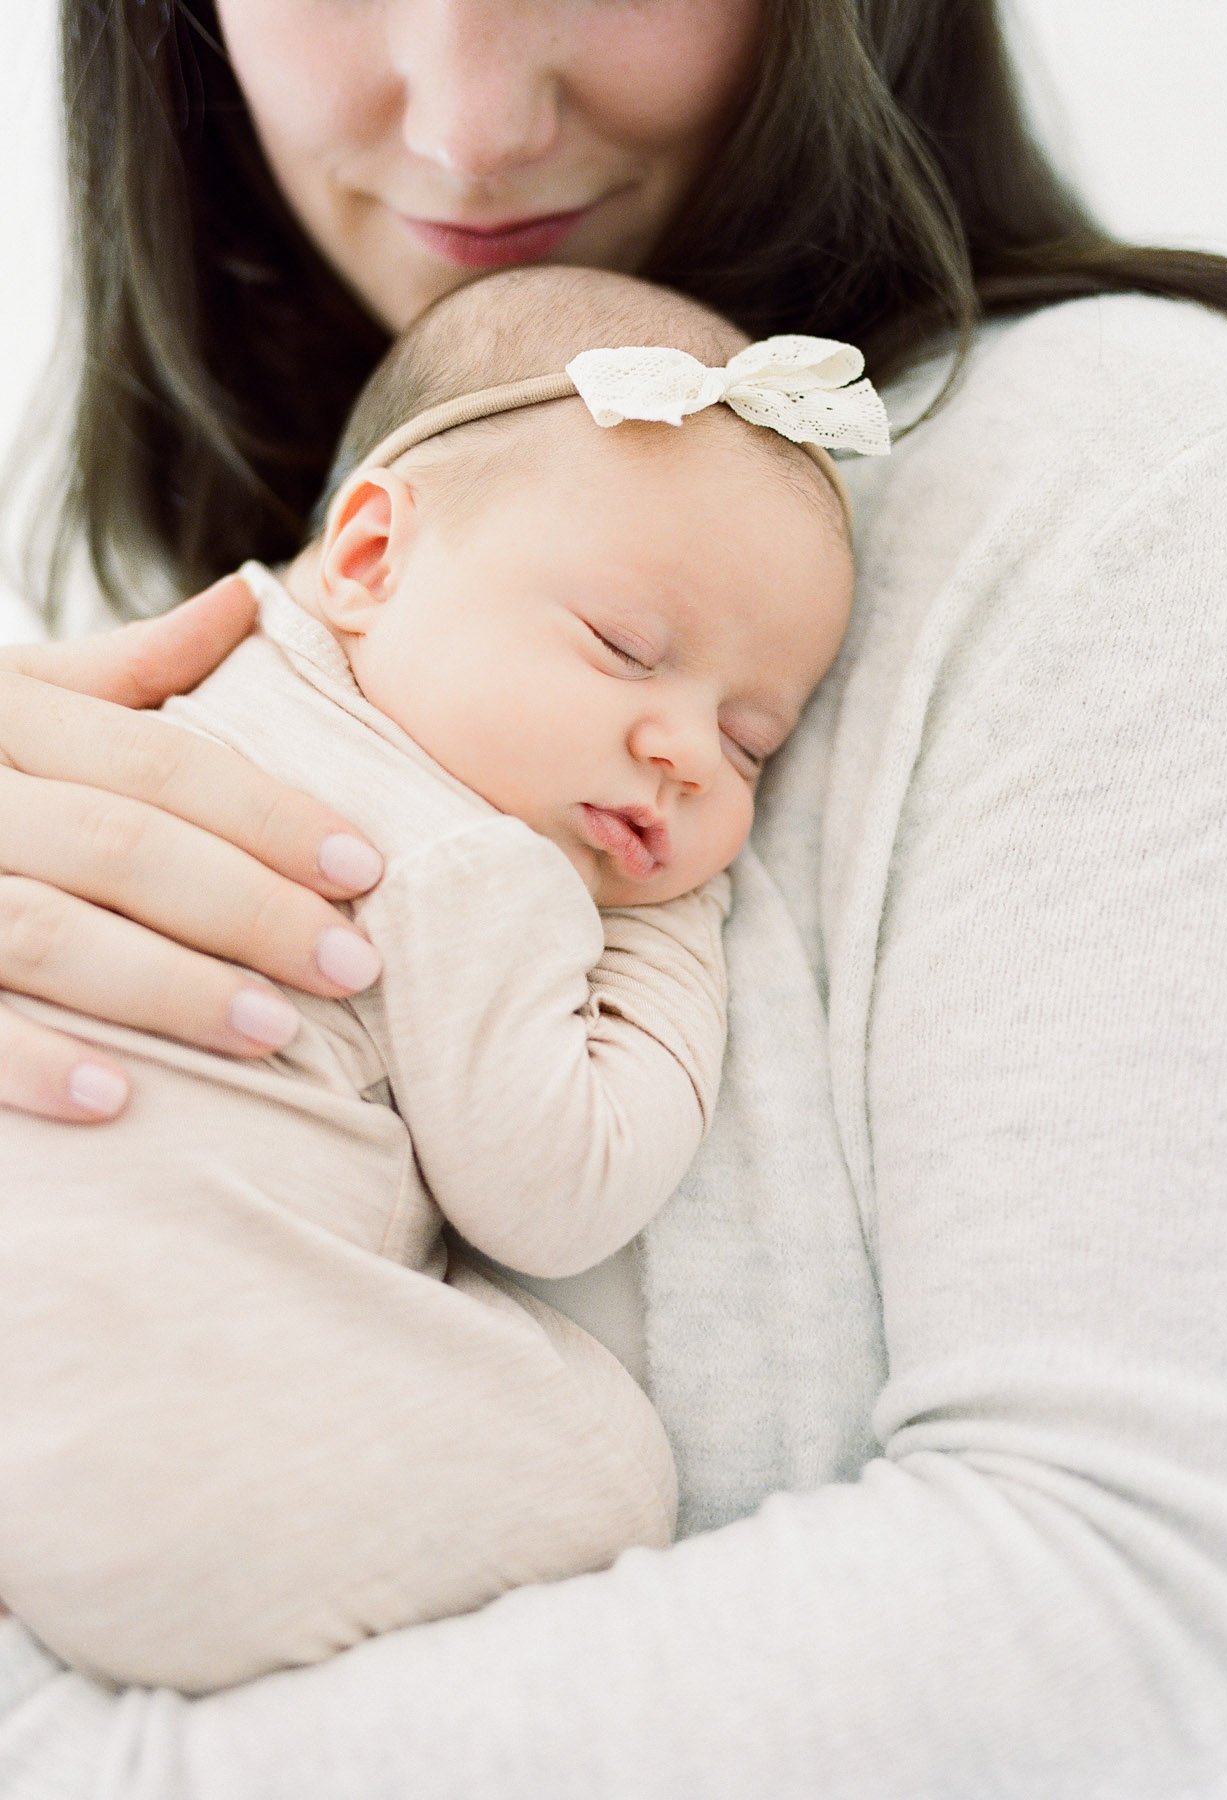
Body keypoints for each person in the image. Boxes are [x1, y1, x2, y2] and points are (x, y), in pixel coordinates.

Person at [0, 1, 1227, 1794]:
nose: (469, 125)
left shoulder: (1126, 476)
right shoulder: (159, 653)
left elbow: (1161, 1617)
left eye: (758, 738)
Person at [0, 262, 872, 1693]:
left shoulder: (150, 705)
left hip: (73, 1394)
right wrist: (671, 937)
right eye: (624, 649)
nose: (684, 750)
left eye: (752, 740)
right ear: (367, 559)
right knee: (605, 1468)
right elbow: (556, 1192)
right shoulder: (477, 863)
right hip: (137, 1455)